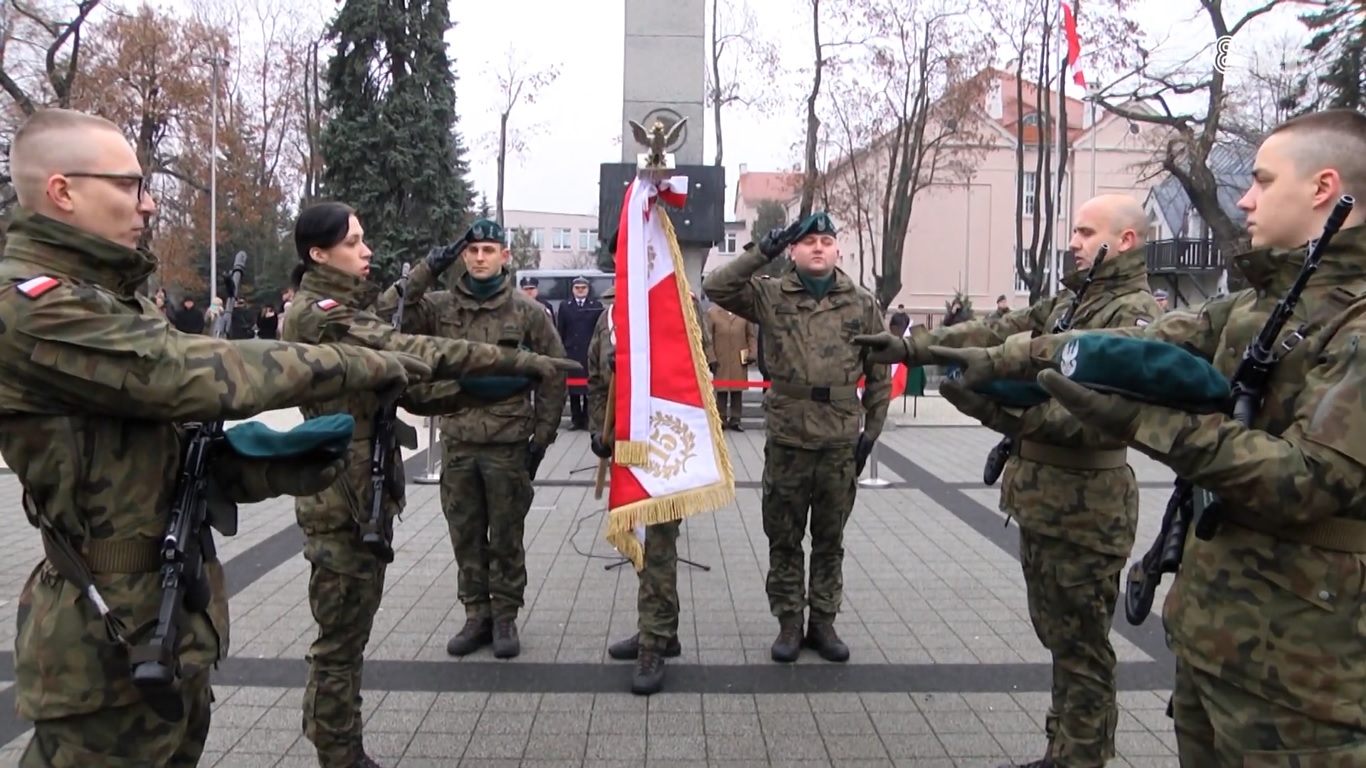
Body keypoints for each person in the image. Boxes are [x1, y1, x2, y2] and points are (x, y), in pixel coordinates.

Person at [0, 107, 431, 767]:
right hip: (100, 637)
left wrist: (261, 468)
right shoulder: (31, 306)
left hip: (166, 619)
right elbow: (177, 372)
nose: (146, 205)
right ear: (63, 190)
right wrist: (352, 362)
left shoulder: (116, 298)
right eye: (129, 185)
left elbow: (162, 456)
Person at [934, 109, 1366, 767]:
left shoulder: (1355, 322)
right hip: (1216, 630)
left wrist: (1139, 421)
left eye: (1261, 179)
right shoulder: (1255, 305)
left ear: (1323, 188)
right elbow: (1133, 347)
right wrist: (1001, 360)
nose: (1245, 198)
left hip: (1306, 665)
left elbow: (1302, 480)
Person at [854, 193, 1161, 768]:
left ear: (1125, 242)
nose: (1074, 241)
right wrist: (911, 347)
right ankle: (1062, 748)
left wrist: (998, 412)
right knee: (1059, 637)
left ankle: (1082, 757)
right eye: (1074, 230)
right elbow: (999, 331)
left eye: (1086, 232)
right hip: (1044, 498)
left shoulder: (1133, 316)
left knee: (1082, 646)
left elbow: (1094, 418)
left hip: (1086, 508)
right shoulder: (1072, 305)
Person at [282, 202, 578, 768]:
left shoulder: (340, 305)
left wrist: (495, 390)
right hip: (340, 498)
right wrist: (510, 364)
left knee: (349, 640)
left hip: (361, 491)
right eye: (355, 242)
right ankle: (339, 754)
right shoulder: (323, 313)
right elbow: (414, 351)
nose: (366, 251)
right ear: (319, 254)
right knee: (340, 645)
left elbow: (414, 390)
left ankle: (344, 746)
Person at [703, 212, 890, 662]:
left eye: (827, 240)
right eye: (808, 242)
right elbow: (716, 288)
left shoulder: (861, 302)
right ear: (793, 250)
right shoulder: (771, 294)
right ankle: (789, 621)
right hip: (787, 436)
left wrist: (872, 431)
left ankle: (823, 622)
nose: (819, 248)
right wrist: (761, 250)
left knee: (829, 537)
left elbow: (880, 371)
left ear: (838, 249)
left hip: (839, 437)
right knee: (784, 536)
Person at [378, 218, 568, 659]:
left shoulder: (526, 311)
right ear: (462, 257)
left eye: (488, 249)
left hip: (508, 442)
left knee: (505, 534)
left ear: (505, 255)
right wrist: (427, 267)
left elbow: (555, 370)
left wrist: (543, 435)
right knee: (464, 533)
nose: (480, 257)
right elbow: (389, 312)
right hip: (459, 440)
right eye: (472, 250)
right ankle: (476, 614)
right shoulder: (441, 307)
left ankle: (505, 617)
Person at [586, 284, 683, 694]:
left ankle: (653, 642)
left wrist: (644, 361)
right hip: (625, 445)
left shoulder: (674, 312)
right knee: (641, 544)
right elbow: (595, 380)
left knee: (658, 543)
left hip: (663, 447)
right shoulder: (608, 320)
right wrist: (598, 429)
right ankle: (661, 630)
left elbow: (693, 372)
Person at [556, 276, 603, 430]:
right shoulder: (565, 306)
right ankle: (577, 420)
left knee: (589, 389)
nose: (581, 290)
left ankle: (589, 420)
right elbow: (560, 329)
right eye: (578, 288)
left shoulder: (596, 306)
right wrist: (560, 349)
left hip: (589, 352)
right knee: (574, 390)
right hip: (572, 352)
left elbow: (598, 331)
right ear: (573, 289)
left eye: (583, 287)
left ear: (588, 289)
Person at [705, 299, 757, 430]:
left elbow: (751, 336)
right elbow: (708, 338)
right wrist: (711, 358)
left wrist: (752, 353)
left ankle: (735, 419)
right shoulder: (713, 314)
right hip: (721, 359)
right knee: (721, 392)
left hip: (738, 359)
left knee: (737, 391)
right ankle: (720, 419)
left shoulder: (743, 313)